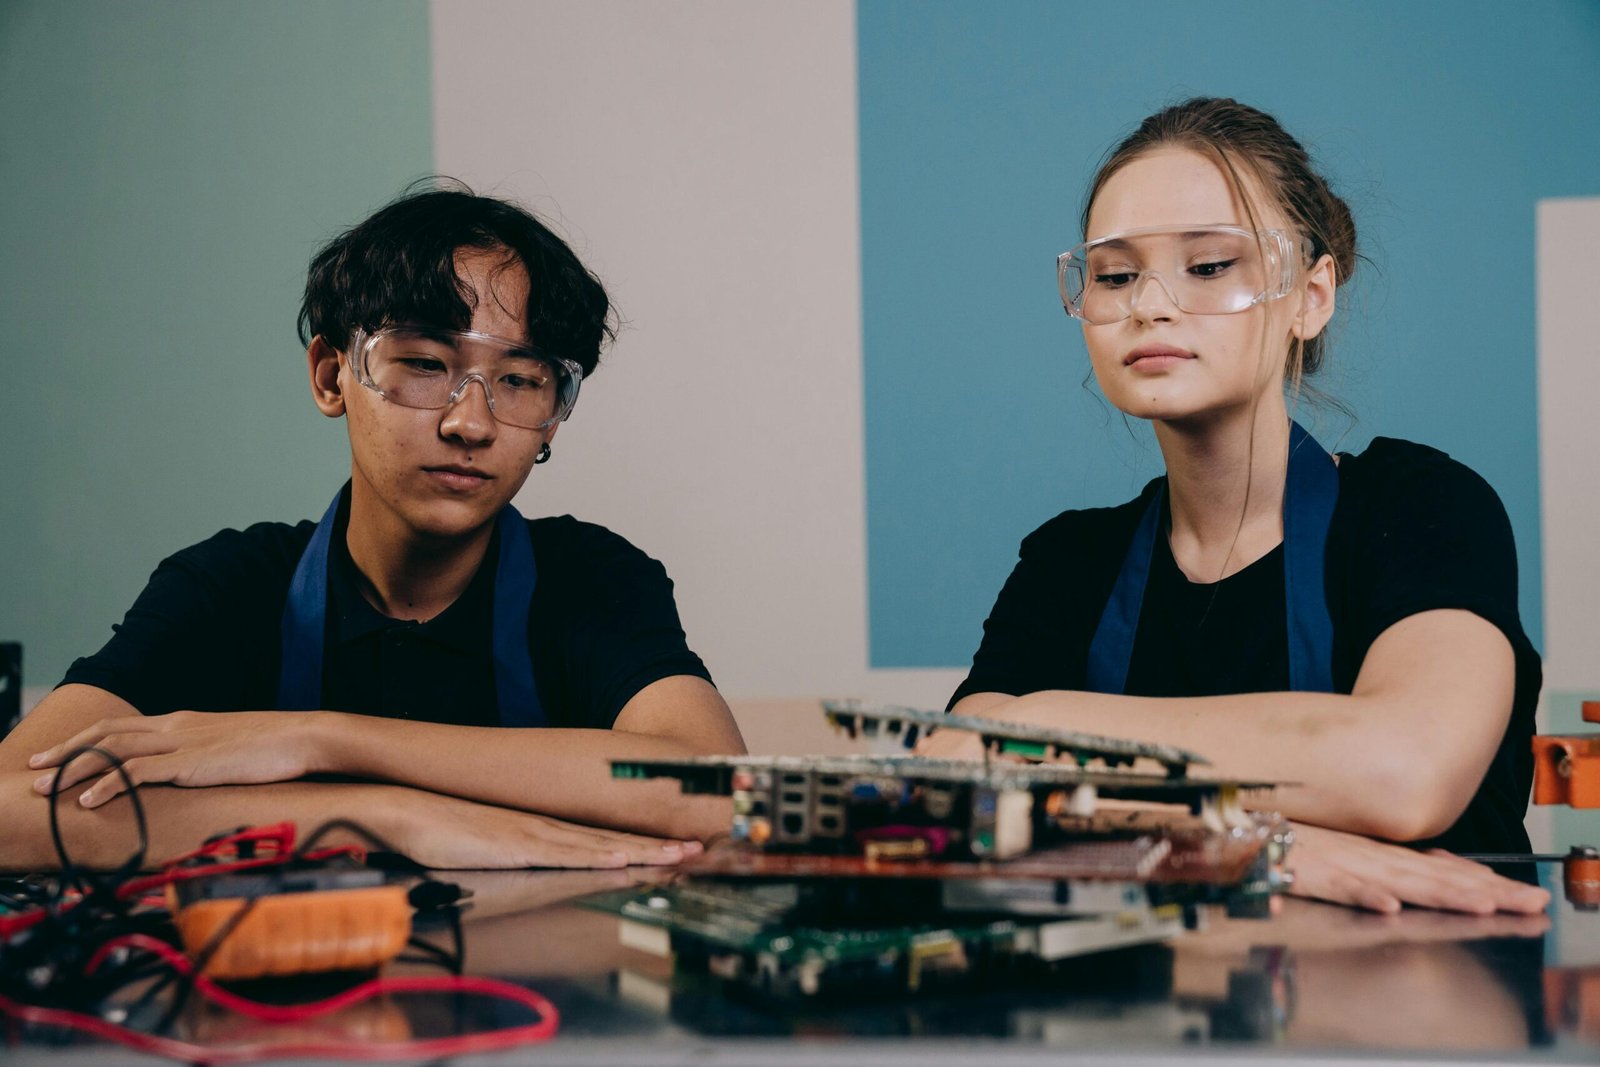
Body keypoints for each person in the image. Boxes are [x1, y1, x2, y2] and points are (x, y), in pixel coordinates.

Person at [919, 99, 1549, 915]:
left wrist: (1038, 730)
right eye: (1115, 274)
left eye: (1210, 266)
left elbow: (1403, 773)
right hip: (1145, 1022)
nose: (1150, 302)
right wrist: (1249, 843)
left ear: (1311, 296)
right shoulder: (1069, 563)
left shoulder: (1419, 505)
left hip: (1423, 1017)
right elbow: (948, 788)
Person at [0, 184, 746, 871]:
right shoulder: (229, 585)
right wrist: (375, 815)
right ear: (331, 376)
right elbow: (9, 805)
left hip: (544, 1011)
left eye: (520, 380)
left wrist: (320, 738)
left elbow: (717, 795)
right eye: (424, 363)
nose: (470, 422)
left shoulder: (590, 578)